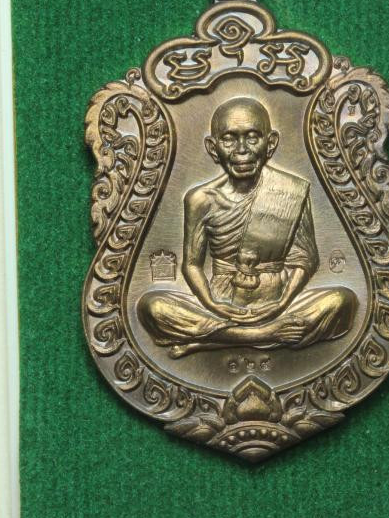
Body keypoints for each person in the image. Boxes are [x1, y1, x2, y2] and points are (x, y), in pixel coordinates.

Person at [138, 97, 356, 358]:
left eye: (253, 138)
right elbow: (192, 264)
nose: (242, 150)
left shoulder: (290, 191)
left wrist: (282, 303)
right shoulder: (200, 200)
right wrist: (212, 304)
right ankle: (265, 335)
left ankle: (217, 340)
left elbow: (306, 259)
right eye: (229, 139)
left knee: (342, 302)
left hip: (278, 298)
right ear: (213, 148)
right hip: (220, 303)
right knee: (152, 308)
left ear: (270, 143)